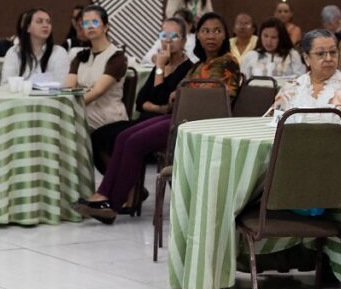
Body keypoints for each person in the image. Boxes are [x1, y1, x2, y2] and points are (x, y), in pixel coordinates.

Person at [73, 12, 239, 223]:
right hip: (181, 115)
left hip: (199, 123)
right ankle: (103, 197)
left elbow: (214, 96)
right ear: (198, 36)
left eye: (217, 31)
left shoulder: (227, 62)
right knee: (125, 136)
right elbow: (172, 95)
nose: (211, 36)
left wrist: (181, 93)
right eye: (205, 31)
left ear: (225, 36)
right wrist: (180, 94)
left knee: (133, 142)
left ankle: (111, 205)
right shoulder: (200, 65)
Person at [90, 18, 194, 173]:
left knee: (121, 139)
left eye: (174, 36)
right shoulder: (163, 63)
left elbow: (161, 98)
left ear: (184, 41)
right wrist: (159, 107)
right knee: (97, 136)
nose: (168, 40)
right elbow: (140, 101)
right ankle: (122, 183)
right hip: (144, 119)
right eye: (164, 35)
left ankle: (124, 188)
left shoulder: (187, 69)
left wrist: (159, 68)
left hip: (160, 125)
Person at [270, 29, 341, 117]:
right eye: (320, 53)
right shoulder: (292, 87)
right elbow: (272, 121)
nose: (329, 58)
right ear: (306, 58)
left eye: (333, 52)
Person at [66, 4, 129, 130]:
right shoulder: (80, 56)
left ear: (106, 27)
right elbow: (68, 87)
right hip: (84, 110)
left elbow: (97, 91)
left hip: (108, 116)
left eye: (94, 22)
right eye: (85, 23)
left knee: (66, 119)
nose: (89, 26)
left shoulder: (117, 56)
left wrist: (69, 106)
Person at [0, 8, 70, 84]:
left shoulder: (59, 53)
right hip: (18, 95)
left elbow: (61, 85)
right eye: (39, 21)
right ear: (28, 28)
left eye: (48, 22)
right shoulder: (13, 52)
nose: (45, 25)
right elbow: (6, 84)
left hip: (50, 95)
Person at [240, 18, 306, 79]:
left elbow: (300, 79)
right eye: (265, 36)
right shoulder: (251, 55)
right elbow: (243, 82)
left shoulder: (292, 55)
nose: (269, 41)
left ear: (281, 38)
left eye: (274, 37)